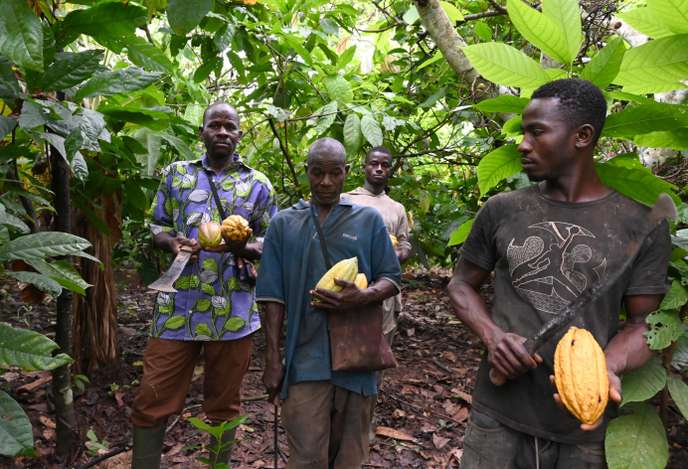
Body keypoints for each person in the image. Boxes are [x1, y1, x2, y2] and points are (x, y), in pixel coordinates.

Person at [447, 79, 671, 468]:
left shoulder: (641, 224)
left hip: (582, 430)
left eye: (536, 132)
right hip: (496, 417)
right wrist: (493, 336)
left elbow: (646, 324)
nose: (522, 144)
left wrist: (606, 367)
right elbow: (462, 284)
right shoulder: (502, 209)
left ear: (582, 136)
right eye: (523, 132)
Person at [131, 102, 277, 468]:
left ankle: (217, 463)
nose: (223, 132)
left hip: (233, 311)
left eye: (230, 126)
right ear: (203, 132)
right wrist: (171, 243)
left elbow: (272, 245)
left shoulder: (257, 184)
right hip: (177, 306)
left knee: (224, 406)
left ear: (240, 135)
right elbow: (157, 227)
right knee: (152, 397)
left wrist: (243, 246)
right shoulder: (176, 175)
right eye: (215, 125)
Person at [256, 137, 401, 468]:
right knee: (306, 456)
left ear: (346, 172)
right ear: (306, 171)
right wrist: (272, 358)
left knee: (349, 455)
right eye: (317, 172)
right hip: (305, 358)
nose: (325, 182)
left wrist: (362, 296)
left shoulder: (368, 221)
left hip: (356, 358)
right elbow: (272, 295)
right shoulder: (284, 224)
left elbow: (391, 278)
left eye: (334, 173)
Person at [346, 146, 412, 438]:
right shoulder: (347, 199)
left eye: (385, 165)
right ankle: (342, 416)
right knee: (346, 350)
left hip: (384, 291)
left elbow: (406, 245)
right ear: (364, 167)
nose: (379, 169)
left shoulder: (396, 208)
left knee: (376, 356)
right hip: (351, 285)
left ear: (390, 170)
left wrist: (396, 253)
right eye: (374, 164)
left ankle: (366, 422)